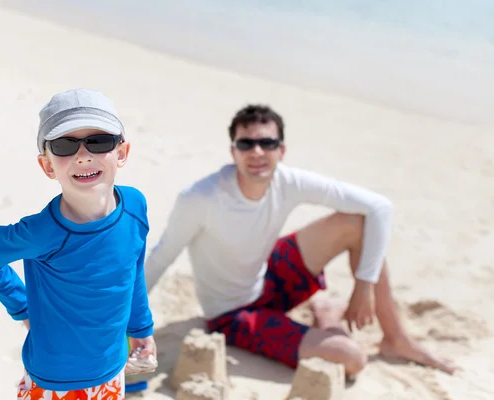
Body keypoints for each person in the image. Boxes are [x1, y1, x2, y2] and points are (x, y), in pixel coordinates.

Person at [145, 104, 457, 378]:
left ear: (281, 150)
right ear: (233, 151)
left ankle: (396, 339)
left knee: (356, 222)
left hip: (267, 273)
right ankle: (327, 316)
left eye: (267, 143)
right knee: (352, 359)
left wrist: (363, 285)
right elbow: (161, 257)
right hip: (232, 313)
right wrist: (123, 322)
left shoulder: (287, 181)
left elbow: (379, 207)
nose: (257, 152)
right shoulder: (201, 198)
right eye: (246, 143)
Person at [0, 88, 156, 399]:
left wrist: (142, 329)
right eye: (65, 145)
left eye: (98, 141)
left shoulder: (135, 206)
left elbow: (133, 271)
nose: (83, 155)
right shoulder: (41, 233)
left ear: (121, 153)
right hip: (54, 381)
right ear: (48, 165)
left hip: (112, 370)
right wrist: (23, 307)